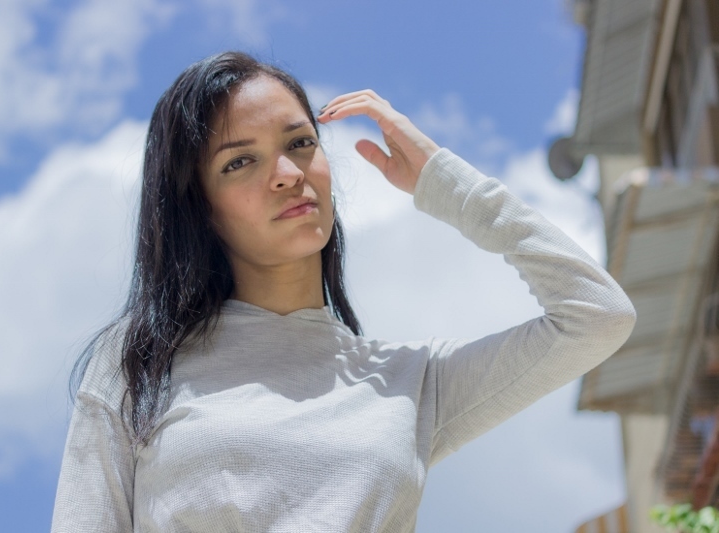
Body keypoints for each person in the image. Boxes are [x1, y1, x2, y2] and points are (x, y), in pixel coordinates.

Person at [51, 51, 636, 532]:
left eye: (300, 143)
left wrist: (444, 182)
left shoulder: (410, 383)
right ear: (199, 209)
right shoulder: (139, 365)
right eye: (239, 163)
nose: (286, 172)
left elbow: (597, 315)